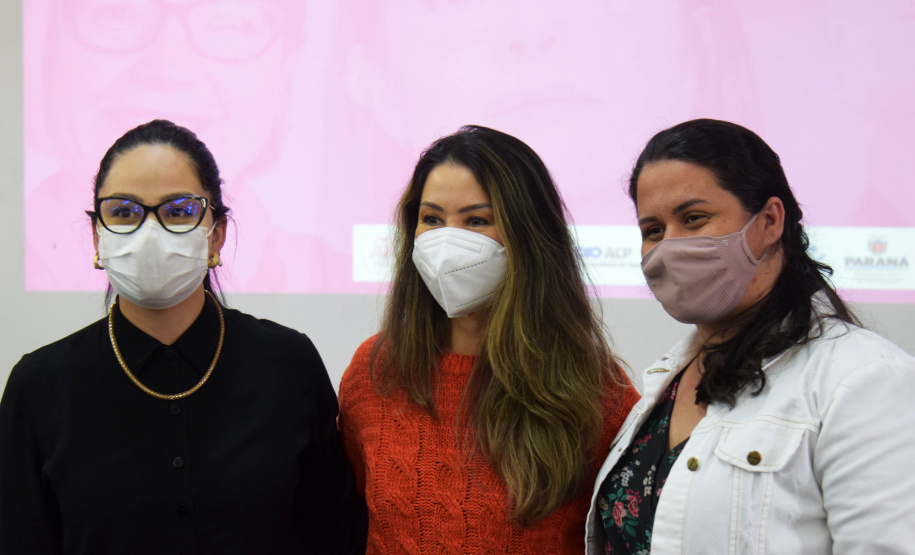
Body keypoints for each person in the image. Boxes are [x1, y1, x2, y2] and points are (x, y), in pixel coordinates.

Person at [0, 120, 366, 553]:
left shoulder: (288, 365)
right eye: (123, 211)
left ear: (217, 235)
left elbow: (334, 535)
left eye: (178, 210)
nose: (149, 231)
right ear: (98, 235)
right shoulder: (40, 385)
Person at [586, 118, 915, 554]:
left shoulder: (864, 379)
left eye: (694, 218)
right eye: (653, 230)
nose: (670, 245)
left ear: (770, 220)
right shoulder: (664, 383)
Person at [338, 125, 640, 553]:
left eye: (476, 220)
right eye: (432, 219)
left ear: (528, 236)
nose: (446, 241)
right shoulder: (376, 370)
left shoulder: (594, 390)